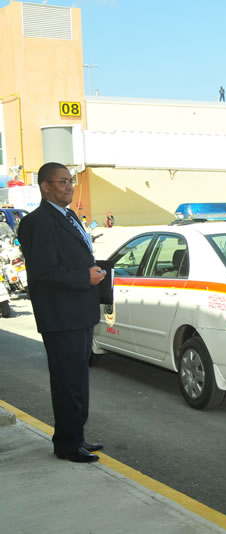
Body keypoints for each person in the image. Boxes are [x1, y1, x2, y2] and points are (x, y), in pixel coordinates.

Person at [17, 162, 106, 463]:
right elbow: (44, 272)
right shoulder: (38, 222)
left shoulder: (68, 217)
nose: (69, 186)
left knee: (78, 380)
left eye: (71, 181)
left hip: (80, 312)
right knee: (67, 382)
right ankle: (67, 445)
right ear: (45, 186)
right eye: (62, 181)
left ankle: (76, 436)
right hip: (61, 316)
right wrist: (85, 277)